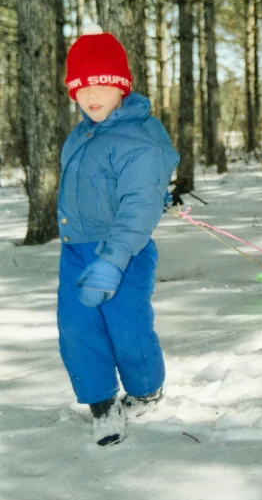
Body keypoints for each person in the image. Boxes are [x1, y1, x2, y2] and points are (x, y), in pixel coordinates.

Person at [58, 25, 179, 447]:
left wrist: (113, 259)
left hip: (124, 252)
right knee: (78, 326)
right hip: (76, 249)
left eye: (102, 83)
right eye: (81, 85)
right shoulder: (81, 135)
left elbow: (138, 206)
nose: (92, 94)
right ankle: (100, 401)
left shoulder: (138, 139)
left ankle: (146, 389)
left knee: (126, 323)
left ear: (121, 87)